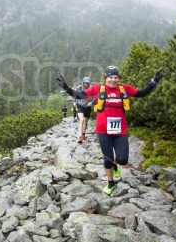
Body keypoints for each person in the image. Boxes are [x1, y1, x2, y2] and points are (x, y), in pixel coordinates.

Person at [56, 66, 163, 196]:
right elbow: (80, 95)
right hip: (103, 130)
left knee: (123, 159)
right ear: (106, 78)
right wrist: (67, 88)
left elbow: (142, 93)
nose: (113, 80)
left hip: (120, 131)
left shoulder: (124, 89)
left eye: (116, 77)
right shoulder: (97, 88)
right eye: (111, 77)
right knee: (107, 159)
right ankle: (110, 183)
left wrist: (153, 82)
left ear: (118, 78)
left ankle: (115, 165)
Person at [73, 77, 95, 144]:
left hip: (88, 106)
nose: (86, 84)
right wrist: (74, 101)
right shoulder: (79, 87)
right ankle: (80, 137)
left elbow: (96, 97)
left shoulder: (92, 89)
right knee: (81, 120)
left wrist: (92, 102)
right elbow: (74, 94)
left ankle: (83, 133)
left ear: (89, 83)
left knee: (85, 121)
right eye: (85, 83)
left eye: (87, 83)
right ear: (83, 83)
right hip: (80, 105)